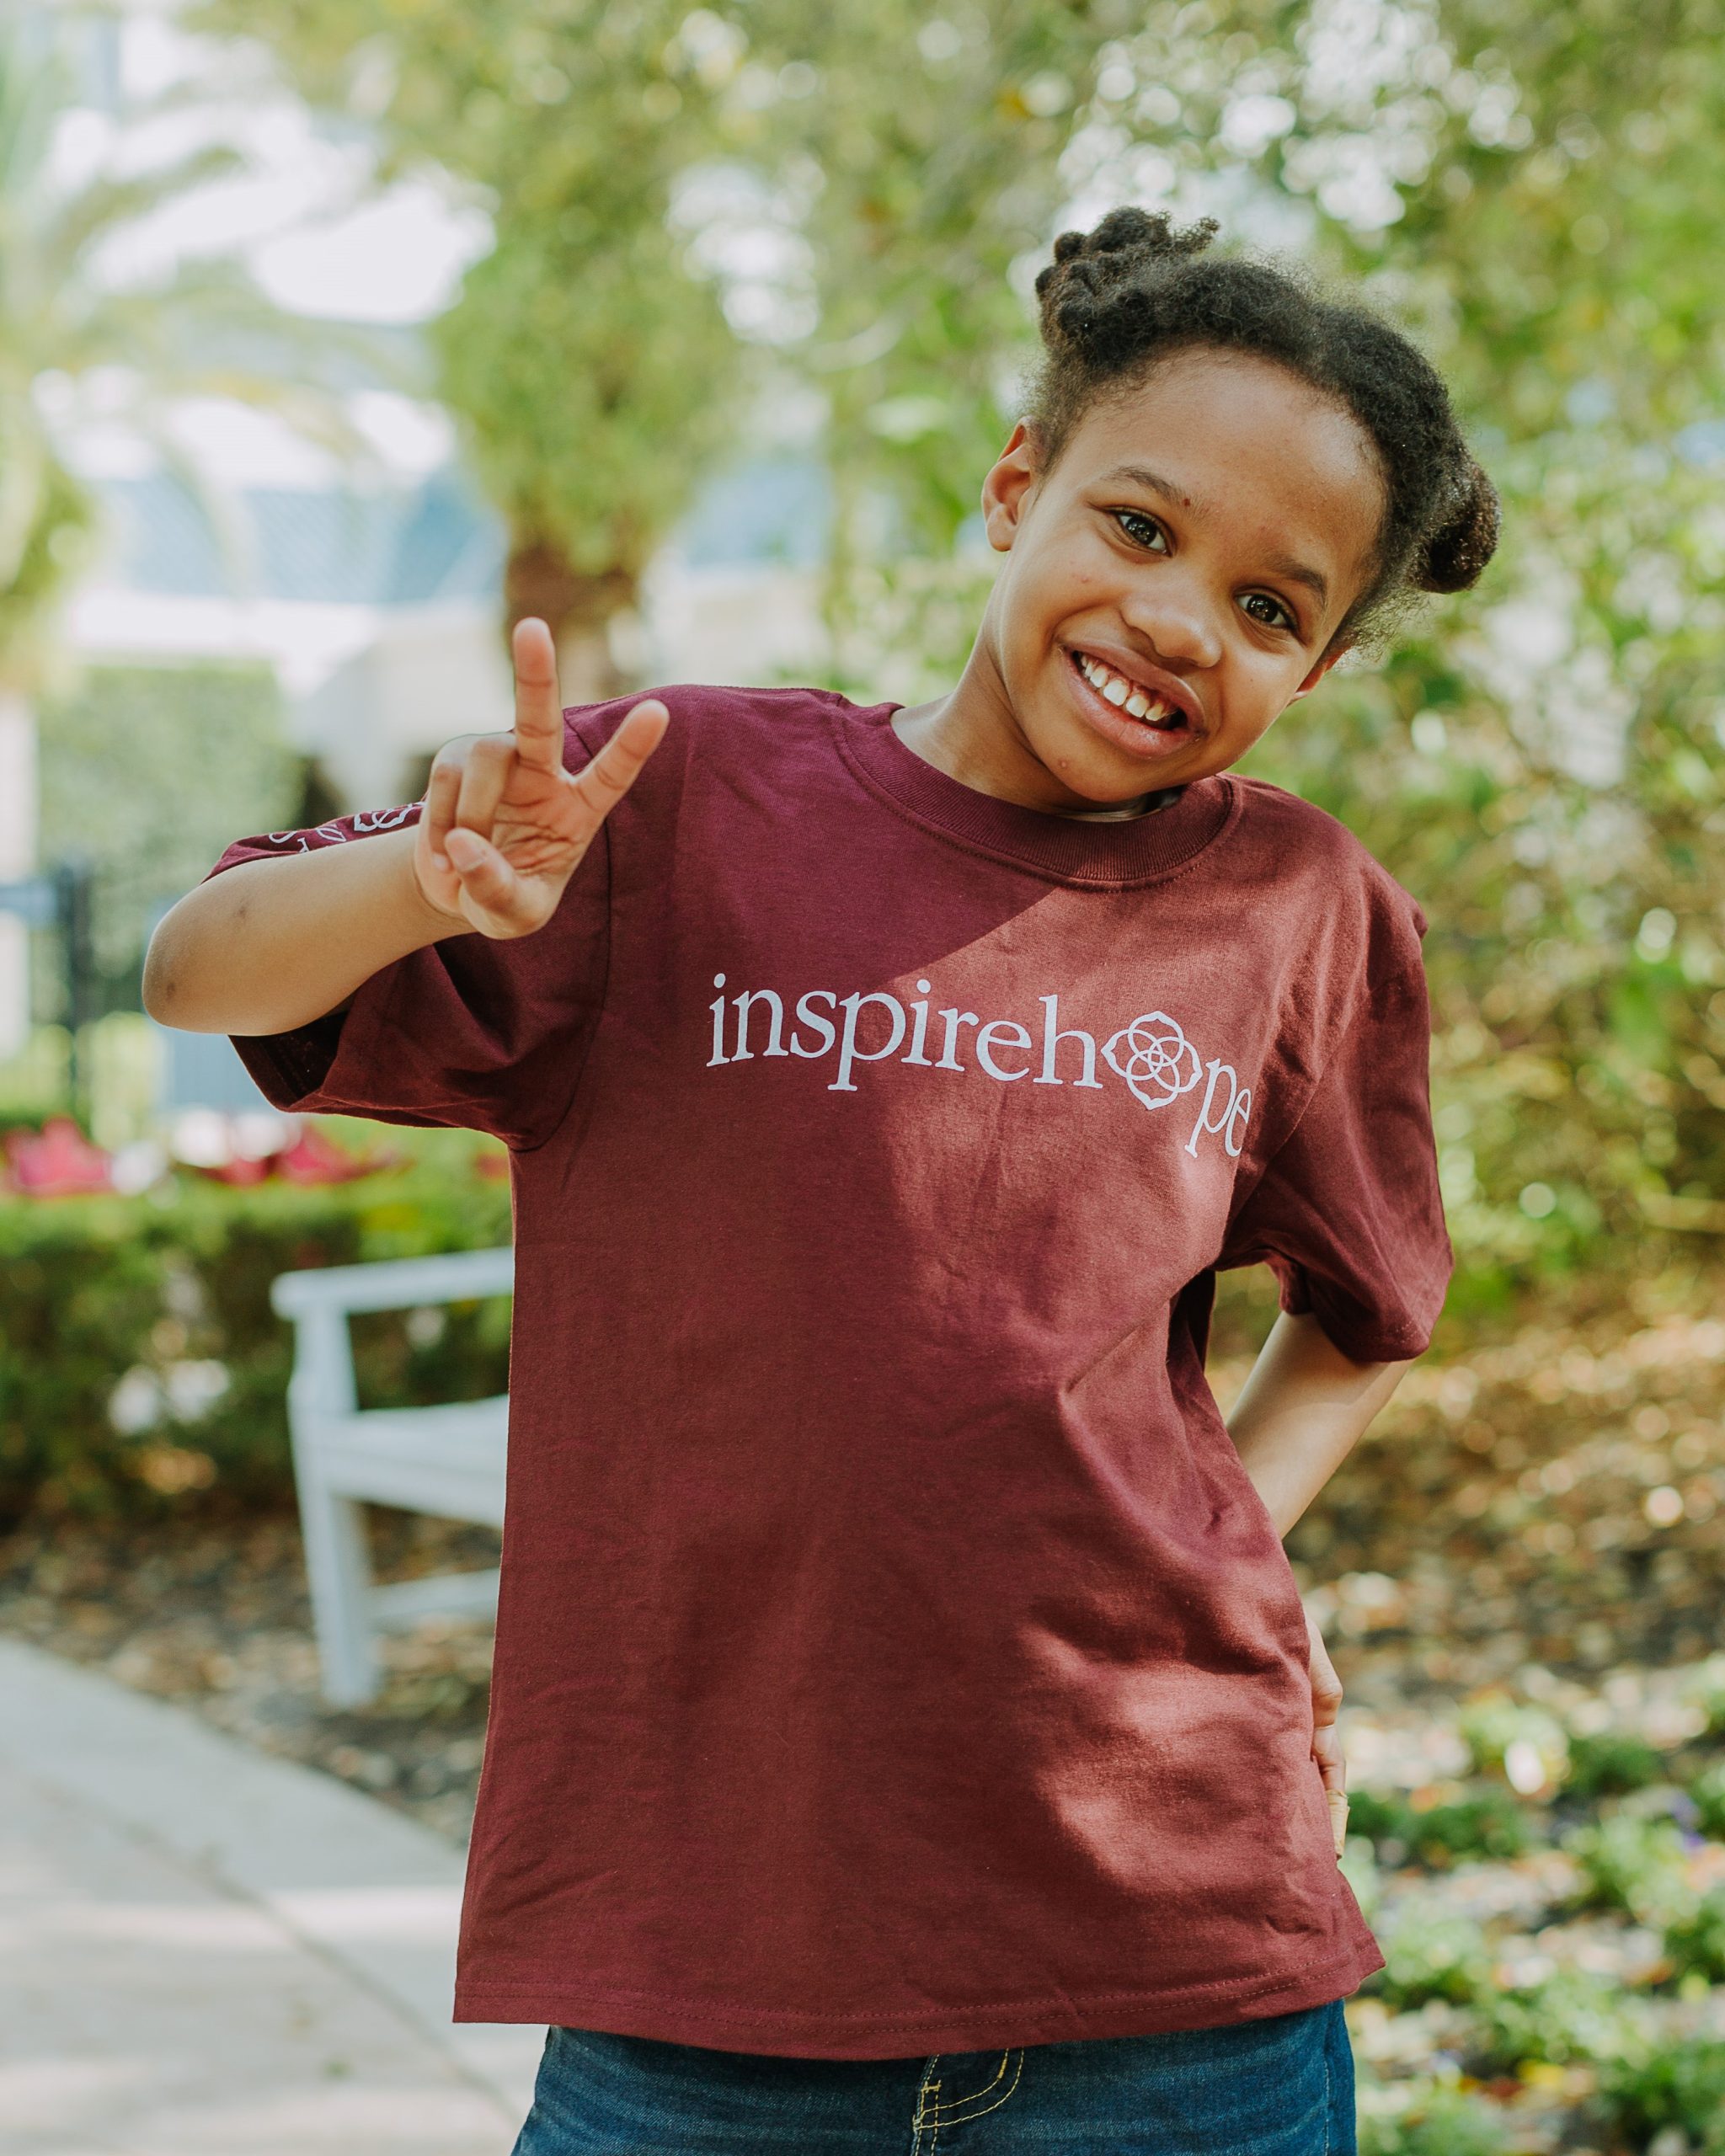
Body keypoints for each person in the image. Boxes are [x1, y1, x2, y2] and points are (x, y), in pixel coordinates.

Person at [145, 208, 1498, 2153]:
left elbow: (1367, 1310)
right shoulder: (671, 796)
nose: (1182, 618)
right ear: (1013, 486)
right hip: (698, 1990)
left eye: (1272, 607)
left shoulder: (1298, 909)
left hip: (1176, 1990)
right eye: (1136, 525)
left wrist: (1233, 1550)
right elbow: (199, 968)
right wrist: (422, 883)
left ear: (1323, 660)